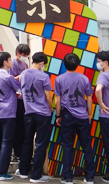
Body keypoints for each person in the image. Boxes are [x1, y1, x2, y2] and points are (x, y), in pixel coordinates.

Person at [54, 53, 95, 184]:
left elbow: (57, 100)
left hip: (67, 115)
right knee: (87, 146)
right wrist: (89, 114)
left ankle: (67, 177)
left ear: (64, 64)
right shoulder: (84, 78)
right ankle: (89, 177)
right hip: (82, 115)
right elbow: (89, 98)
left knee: (67, 146)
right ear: (78, 64)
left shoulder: (59, 79)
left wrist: (58, 115)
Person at [17, 52, 53, 183]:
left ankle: (23, 171)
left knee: (27, 142)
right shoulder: (43, 76)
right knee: (40, 144)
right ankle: (36, 175)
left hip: (28, 113)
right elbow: (48, 97)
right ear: (42, 63)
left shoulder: (24, 74)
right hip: (43, 114)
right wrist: (51, 108)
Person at [0, 51, 20, 181]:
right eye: (9, 59)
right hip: (8, 113)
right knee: (7, 143)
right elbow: (19, 89)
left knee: (3, 140)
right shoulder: (8, 77)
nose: (11, 61)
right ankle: (1, 172)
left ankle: (1, 171)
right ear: (5, 62)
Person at [9, 43, 30, 161]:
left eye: (27, 55)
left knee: (23, 127)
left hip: (24, 99)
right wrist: (22, 75)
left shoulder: (25, 64)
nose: (25, 57)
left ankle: (21, 152)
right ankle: (16, 152)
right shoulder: (12, 64)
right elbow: (10, 79)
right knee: (17, 127)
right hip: (16, 99)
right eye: (23, 54)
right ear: (17, 53)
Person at [95, 50, 109, 183]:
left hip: (106, 115)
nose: (97, 64)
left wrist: (101, 103)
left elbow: (98, 89)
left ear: (105, 63)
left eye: (98, 62)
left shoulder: (104, 76)